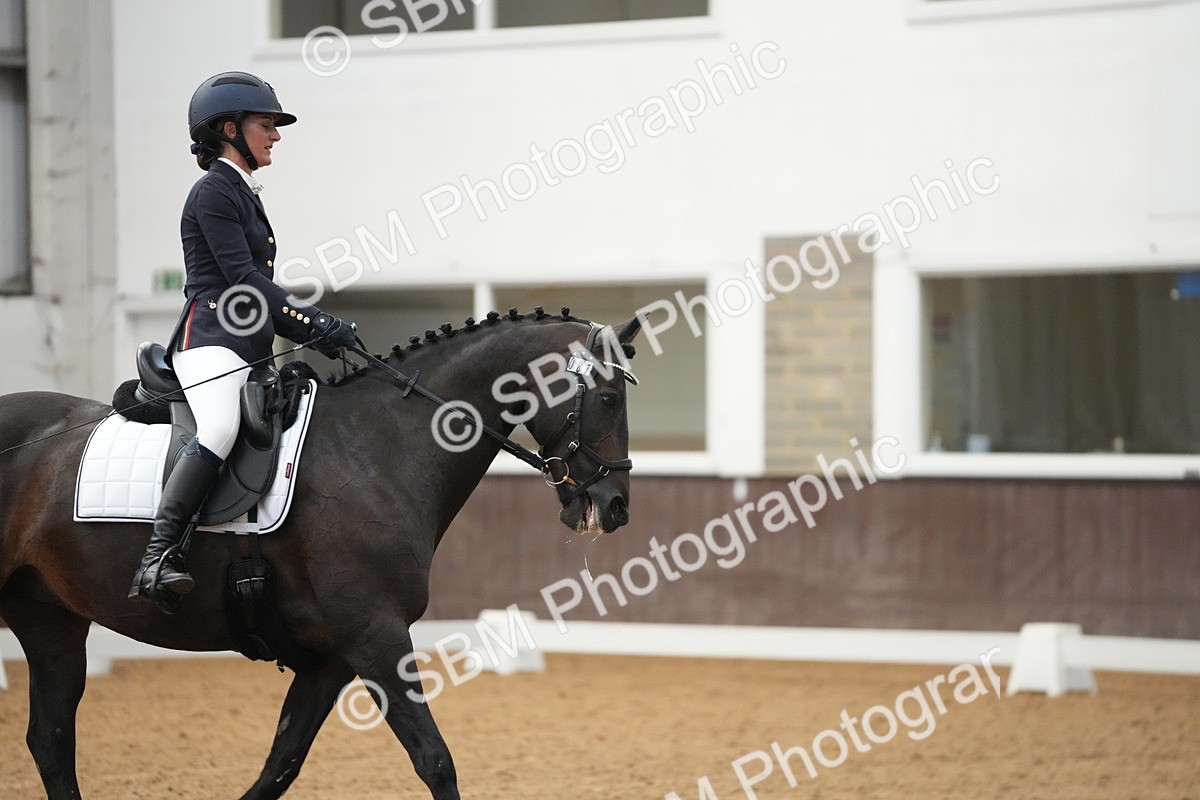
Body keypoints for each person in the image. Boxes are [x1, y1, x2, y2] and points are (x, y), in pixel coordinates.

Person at [129, 71, 356, 608]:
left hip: (244, 345)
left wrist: (316, 331)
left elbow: (257, 294)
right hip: (208, 338)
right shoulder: (212, 191)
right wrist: (312, 323)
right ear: (229, 129)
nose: (275, 135)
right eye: (266, 124)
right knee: (223, 425)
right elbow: (244, 282)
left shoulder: (240, 191)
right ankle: (157, 556)